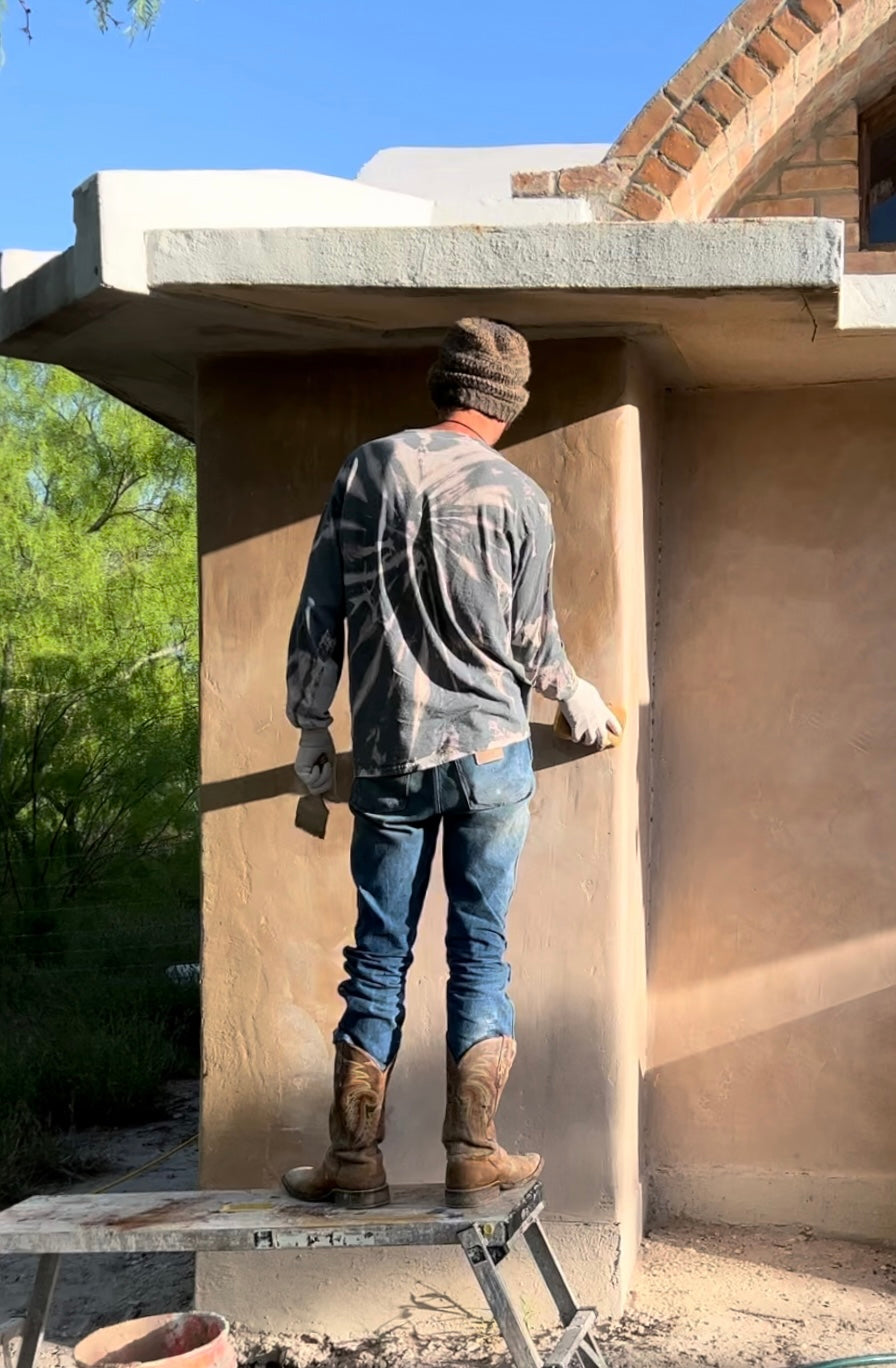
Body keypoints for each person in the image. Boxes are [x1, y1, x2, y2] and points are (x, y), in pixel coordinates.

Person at [281, 318, 621, 1210]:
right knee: (480, 952)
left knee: (379, 956)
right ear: (505, 405)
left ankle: (354, 1164)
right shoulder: (520, 496)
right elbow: (529, 636)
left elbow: (323, 604)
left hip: (392, 755)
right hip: (495, 755)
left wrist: (311, 725)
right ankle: (474, 1155)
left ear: (442, 387)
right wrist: (572, 691)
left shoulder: (369, 469)